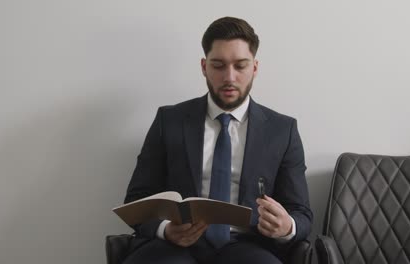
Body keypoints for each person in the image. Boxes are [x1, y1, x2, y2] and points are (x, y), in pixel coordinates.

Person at [123, 16, 313, 264]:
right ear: (204, 67)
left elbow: (302, 213)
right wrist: (165, 229)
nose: (230, 77)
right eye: (219, 65)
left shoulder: (283, 130)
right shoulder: (168, 120)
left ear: (254, 67)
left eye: (240, 66)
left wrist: (287, 226)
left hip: (247, 245)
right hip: (173, 247)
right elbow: (137, 198)